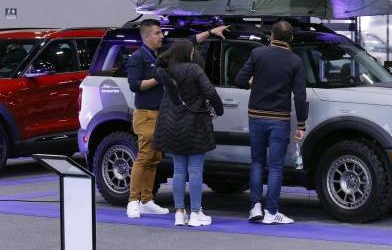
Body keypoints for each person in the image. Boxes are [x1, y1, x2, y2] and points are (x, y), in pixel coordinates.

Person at [126, 18, 228, 219]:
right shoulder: (138, 58)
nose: (161, 36)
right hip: (146, 113)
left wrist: (211, 32)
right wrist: (160, 77)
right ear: (146, 36)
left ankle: (147, 200)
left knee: (155, 158)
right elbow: (134, 85)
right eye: (157, 33)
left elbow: (188, 42)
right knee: (144, 156)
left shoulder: (163, 55)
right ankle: (132, 200)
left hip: (163, 115)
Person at [235, 20, 308, 225]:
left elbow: (239, 80)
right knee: (275, 166)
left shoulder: (257, 54)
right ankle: (271, 211)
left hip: (256, 115)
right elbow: (300, 96)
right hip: (279, 119)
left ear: (271, 36)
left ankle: (255, 206)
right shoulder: (295, 61)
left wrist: (253, 82)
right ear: (291, 38)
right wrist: (301, 124)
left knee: (257, 162)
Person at [153, 40, 223, 227]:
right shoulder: (194, 70)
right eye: (192, 51)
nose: (194, 54)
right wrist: (219, 108)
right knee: (195, 170)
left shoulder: (166, 70)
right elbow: (210, 91)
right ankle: (196, 213)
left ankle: (179, 213)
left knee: (178, 171)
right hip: (194, 125)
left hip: (172, 126)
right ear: (187, 53)